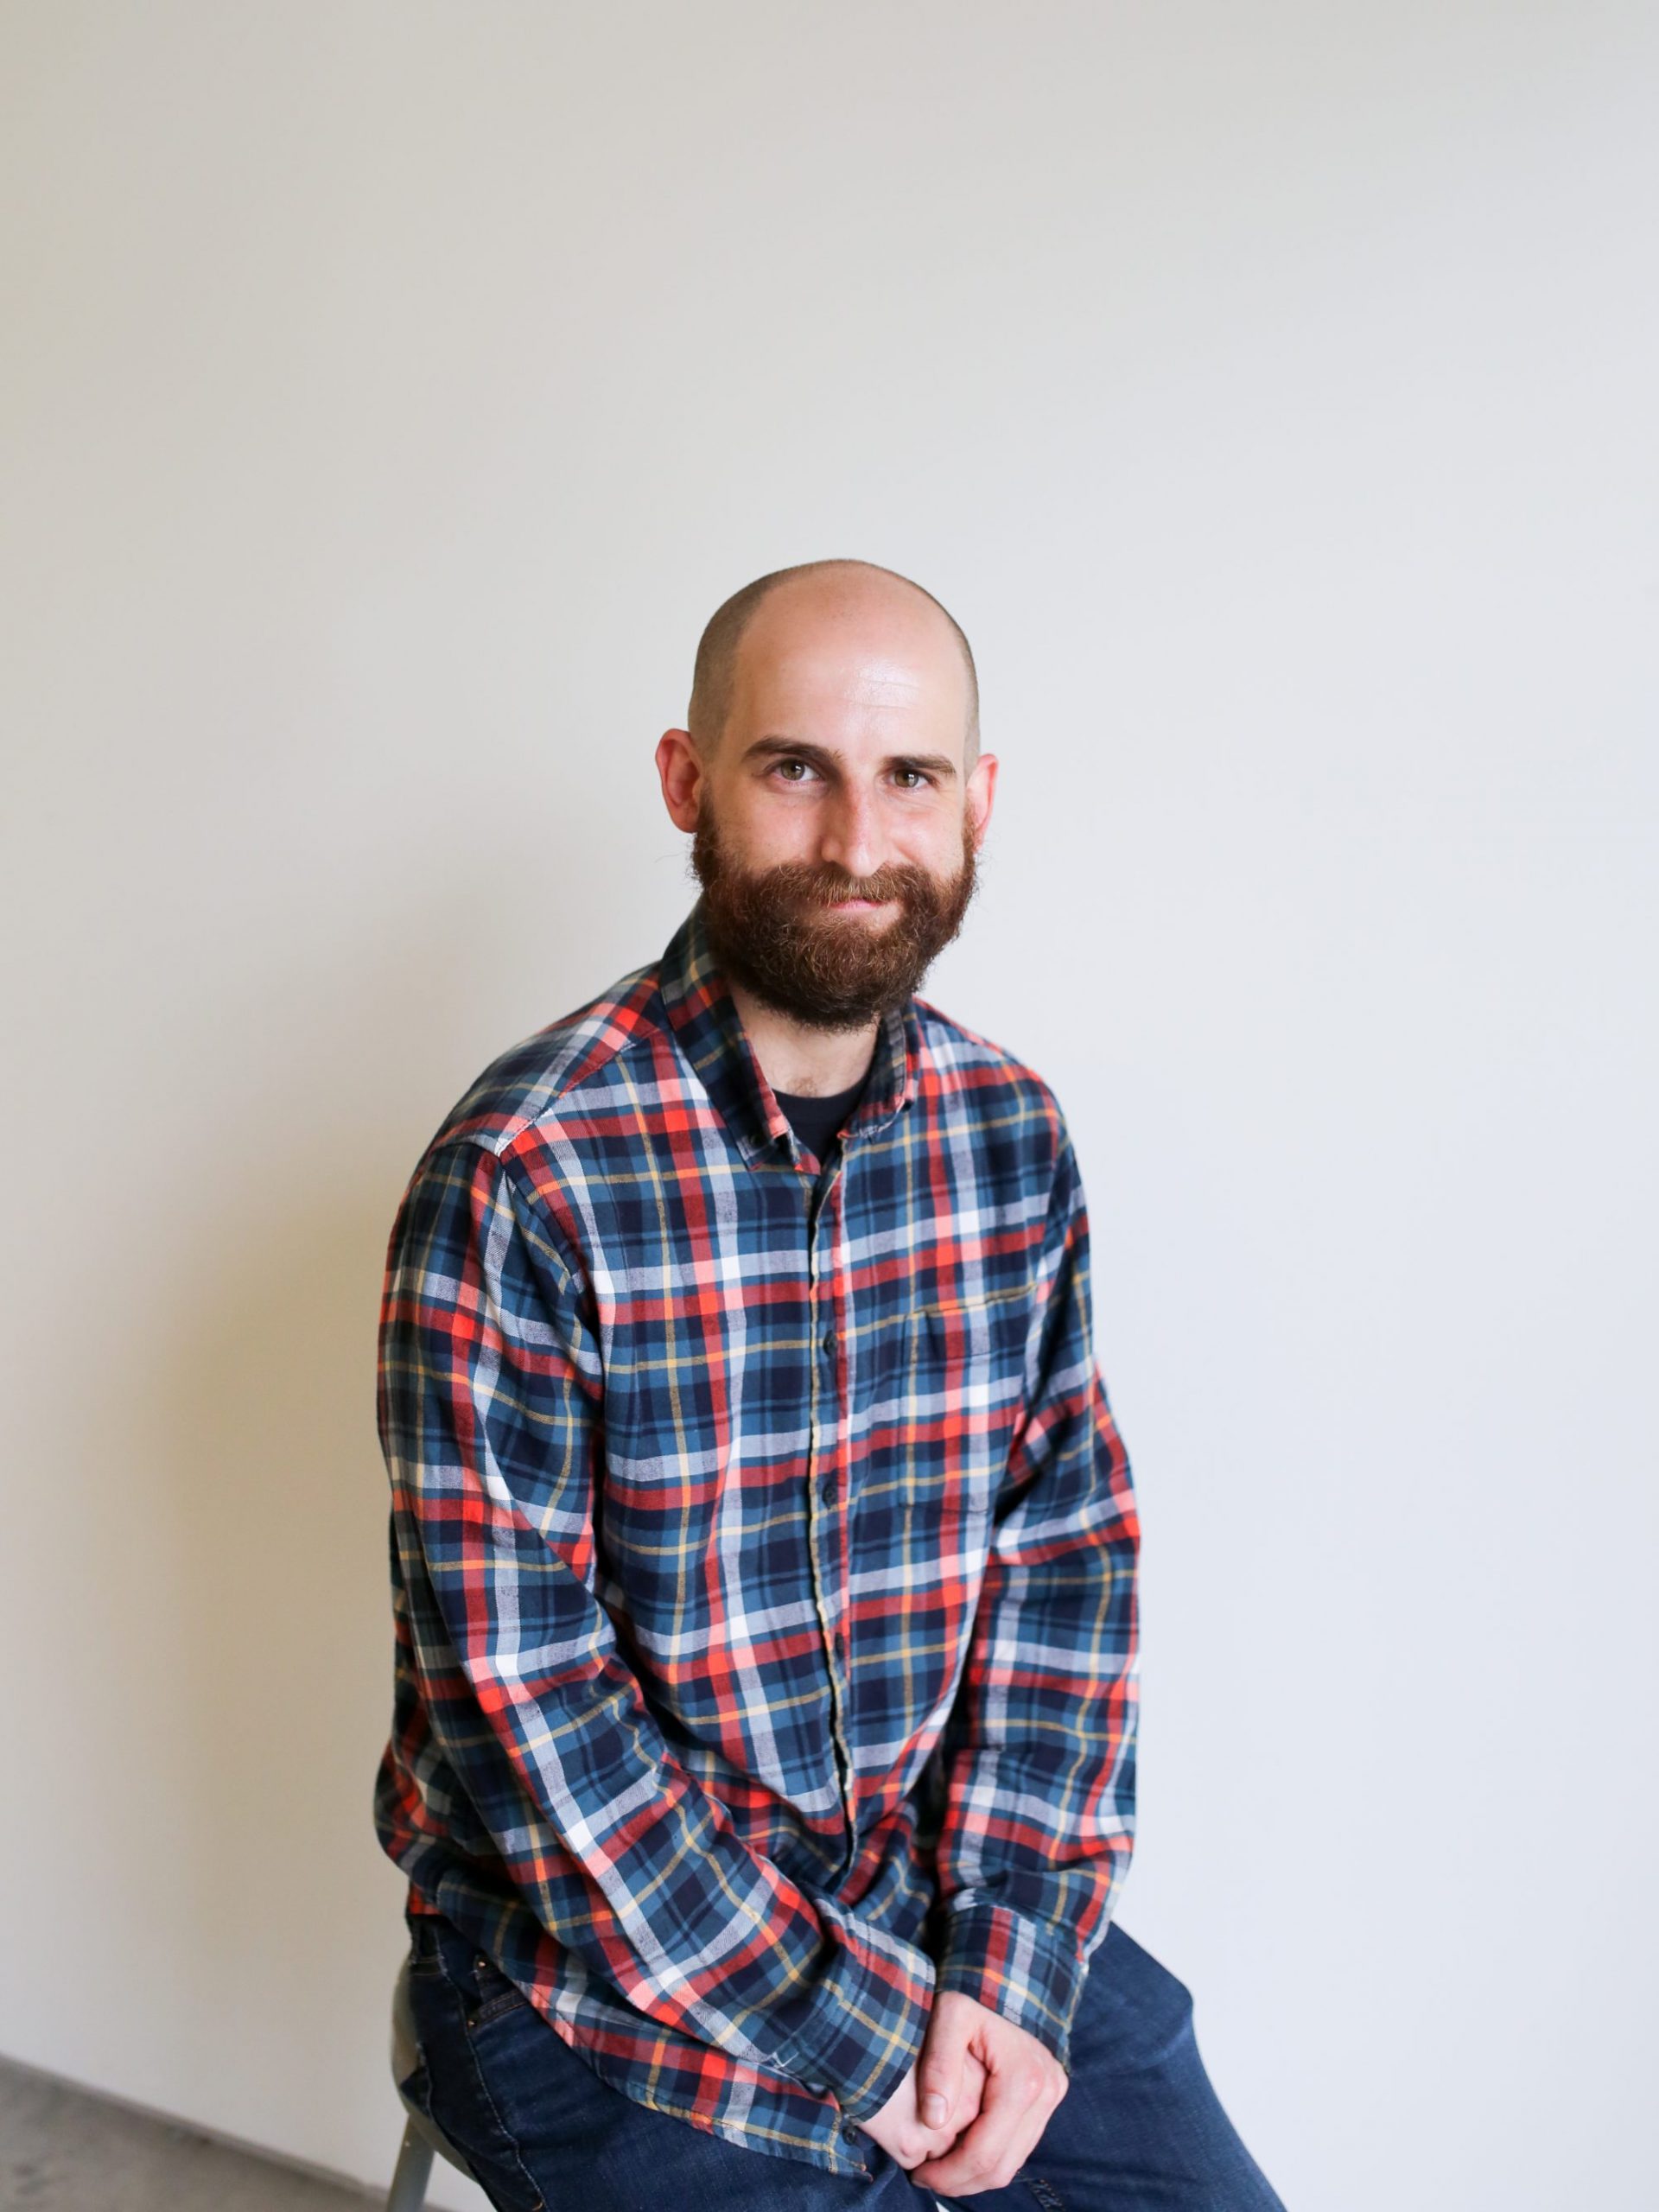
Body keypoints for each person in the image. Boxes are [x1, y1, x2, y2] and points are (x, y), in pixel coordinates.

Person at [372, 558, 1285, 2210]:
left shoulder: (1010, 1138)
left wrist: (1011, 1954)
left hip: (930, 1896)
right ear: (688, 782)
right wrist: (866, 2039)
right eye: (797, 768)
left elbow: (1063, 1568)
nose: (861, 842)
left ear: (977, 802)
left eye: (910, 776)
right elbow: (530, 1718)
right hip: (584, 1969)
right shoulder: (525, 1174)